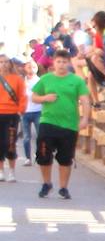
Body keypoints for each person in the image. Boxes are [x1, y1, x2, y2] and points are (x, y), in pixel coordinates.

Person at [29, 49, 92, 199]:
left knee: (65, 157)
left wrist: (84, 119)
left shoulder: (76, 81)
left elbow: (85, 100)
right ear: (53, 63)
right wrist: (45, 98)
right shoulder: (46, 79)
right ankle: (46, 183)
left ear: (68, 63)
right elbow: (34, 97)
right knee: (43, 154)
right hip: (48, 121)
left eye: (64, 62)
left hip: (69, 124)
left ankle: (63, 187)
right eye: (58, 62)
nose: (61, 65)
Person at [0, 56, 26, 182]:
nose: (3, 64)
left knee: (11, 143)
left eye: (6, 62)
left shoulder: (17, 79)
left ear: (10, 64)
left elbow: (22, 95)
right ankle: (1, 171)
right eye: (1, 62)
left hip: (12, 113)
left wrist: (21, 110)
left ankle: (11, 171)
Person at [21, 60, 43, 166]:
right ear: (25, 68)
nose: (31, 69)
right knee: (26, 137)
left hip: (38, 110)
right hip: (25, 112)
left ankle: (38, 155)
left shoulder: (40, 81)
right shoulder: (22, 81)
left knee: (40, 136)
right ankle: (27, 158)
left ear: (37, 68)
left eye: (34, 67)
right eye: (29, 67)